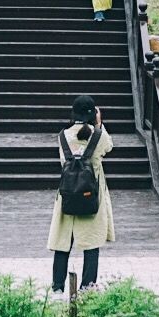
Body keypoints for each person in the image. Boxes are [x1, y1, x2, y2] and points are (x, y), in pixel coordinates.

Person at [48, 95, 115, 289]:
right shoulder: (98, 136)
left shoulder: (63, 136)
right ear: (94, 114)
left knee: (63, 242)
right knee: (92, 242)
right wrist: (100, 124)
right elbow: (109, 147)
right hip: (91, 194)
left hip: (67, 193)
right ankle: (87, 286)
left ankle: (58, 286)